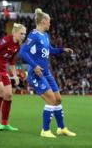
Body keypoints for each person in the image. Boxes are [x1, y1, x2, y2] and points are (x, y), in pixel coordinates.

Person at [20, 8, 76, 138]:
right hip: (36, 74)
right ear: (44, 21)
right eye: (49, 21)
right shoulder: (33, 35)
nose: (50, 24)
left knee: (58, 99)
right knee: (51, 99)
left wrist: (63, 50)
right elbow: (23, 51)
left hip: (46, 73)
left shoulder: (45, 35)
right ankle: (45, 130)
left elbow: (50, 50)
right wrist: (34, 66)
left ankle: (61, 128)